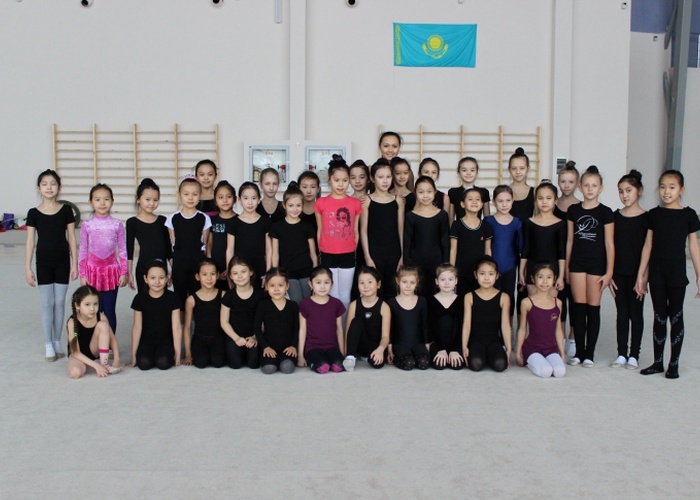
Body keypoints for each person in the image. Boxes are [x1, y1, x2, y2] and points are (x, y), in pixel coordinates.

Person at [636, 170, 700, 379]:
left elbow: (694, 247)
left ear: (681, 190)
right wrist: (641, 275)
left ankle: (674, 364)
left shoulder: (688, 215)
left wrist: (699, 275)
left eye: (672, 187)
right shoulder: (654, 215)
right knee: (659, 316)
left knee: (676, 316)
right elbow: (648, 245)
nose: (666, 191)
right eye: (662, 187)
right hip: (657, 273)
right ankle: (657, 362)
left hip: (677, 274)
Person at [25, 169, 78, 361]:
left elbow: (71, 238)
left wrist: (75, 264)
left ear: (59, 187)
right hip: (44, 262)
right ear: (38, 188)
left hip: (62, 261)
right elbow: (30, 241)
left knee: (59, 302)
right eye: (45, 184)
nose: (49, 187)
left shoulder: (66, 211)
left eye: (53, 184)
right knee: (47, 303)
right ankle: (48, 343)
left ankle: (57, 340)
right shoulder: (33, 213)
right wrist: (27, 267)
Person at [566, 165, 614, 367]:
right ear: (580, 187)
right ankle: (579, 352)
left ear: (601, 188)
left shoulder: (606, 212)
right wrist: (567, 268)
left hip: (597, 265)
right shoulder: (573, 210)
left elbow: (609, 244)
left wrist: (609, 272)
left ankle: (589, 354)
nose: (590, 189)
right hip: (577, 264)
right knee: (578, 309)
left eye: (594, 185)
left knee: (592, 309)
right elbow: (570, 240)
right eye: (586, 185)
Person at [609, 170, 648, 369]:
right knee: (622, 314)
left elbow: (649, 249)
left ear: (639, 191)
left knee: (636, 314)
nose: (624, 195)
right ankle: (622, 353)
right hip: (618, 274)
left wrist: (643, 277)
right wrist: (610, 274)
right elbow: (610, 247)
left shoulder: (647, 218)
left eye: (629, 190)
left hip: (637, 275)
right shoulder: (615, 217)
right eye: (621, 191)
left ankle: (634, 354)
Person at [78, 183, 128, 334]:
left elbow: (123, 250)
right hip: (92, 273)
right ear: (91, 202)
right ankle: (96, 341)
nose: (102, 203)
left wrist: (124, 272)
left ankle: (110, 341)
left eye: (106, 199)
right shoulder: (87, 225)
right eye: (97, 199)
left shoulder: (117, 224)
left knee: (109, 310)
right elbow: (83, 250)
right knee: (94, 310)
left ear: (112, 201)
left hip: (111, 272)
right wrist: (83, 275)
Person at [314, 154, 362, 310]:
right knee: (332, 295)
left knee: (345, 296)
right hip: (327, 253)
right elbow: (320, 230)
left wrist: (352, 248)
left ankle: (345, 324)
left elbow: (355, 231)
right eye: (336, 180)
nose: (341, 184)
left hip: (348, 254)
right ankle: (333, 326)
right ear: (329, 180)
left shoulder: (355, 203)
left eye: (345, 180)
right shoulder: (321, 203)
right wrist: (321, 250)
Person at [165, 177, 212, 310]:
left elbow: (205, 243)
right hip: (179, 264)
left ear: (200, 196)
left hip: (197, 263)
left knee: (196, 297)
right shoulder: (172, 218)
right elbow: (172, 244)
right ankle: (181, 323)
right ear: (179, 195)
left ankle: (194, 323)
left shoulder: (204, 218)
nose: (190, 198)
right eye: (186, 194)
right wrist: (172, 266)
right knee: (179, 298)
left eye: (195, 194)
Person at [361, 159, 405, 299]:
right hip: (374, 252)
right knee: (374, 291)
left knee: (392, 291)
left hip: (394, 252)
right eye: (380, 177)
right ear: (373, 179)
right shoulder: (367, 201)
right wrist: (367, 257)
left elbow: (401, 230)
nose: (385, 181)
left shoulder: (398, 200)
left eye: (388, 176)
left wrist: (402, 255)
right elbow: (363, 231)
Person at [129, 260, 183, 370]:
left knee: (163, 363)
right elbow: (137, 327)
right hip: (146, 340)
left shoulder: (173, 298)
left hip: (165, 341)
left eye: (161, 278)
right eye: (152, 278)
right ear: (145, 279)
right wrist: (133, 355)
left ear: (167, 278)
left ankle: (161, 354)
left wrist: (178, 353)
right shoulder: (139, 299)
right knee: (143, 363)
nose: (157, 282)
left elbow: (176, 327)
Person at [516, 262, 566, 378]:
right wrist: (518, 352)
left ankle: (545, 360)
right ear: (533, 279)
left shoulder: (557, 303)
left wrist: (562, 352)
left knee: (560, 372)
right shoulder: (527, 302)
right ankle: (530, 361)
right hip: (533, 348)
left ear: (554, 279)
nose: (544, 281)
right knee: (546, 372)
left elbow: (558, 330)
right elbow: (522, 329)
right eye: (540, 277)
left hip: (551, 348)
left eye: (549, 277)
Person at [270, 184, 318, 303]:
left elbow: (313, 253)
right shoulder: (277, 227)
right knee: (297, 301)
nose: (294, 209)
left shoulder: (307, 226)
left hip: (306, 270)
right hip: (288, 271)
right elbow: (275, 254)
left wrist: (315, 272)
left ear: (302, 205)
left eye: (298, 205)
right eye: (291, 205)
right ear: (284, 205)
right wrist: (276, 274)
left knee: (308, 301)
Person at [462, 257, 511, 372]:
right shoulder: (469, 296)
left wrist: (508, 348)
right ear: (476, 275)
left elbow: (505, 325)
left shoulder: (504, 297)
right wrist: (464, 346)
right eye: (482, 273)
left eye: (491, 274)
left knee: (500, 364)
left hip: (494, 340)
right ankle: (484, 356)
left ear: (497, 275)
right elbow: (467, 324)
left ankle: (490, 355)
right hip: (476, 341)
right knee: (476, 364)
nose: (486, 278)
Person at [403, 176, 450, 296]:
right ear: (415, 193)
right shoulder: (411, 216)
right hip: (416, 264)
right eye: (421, 192)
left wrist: (445, 264)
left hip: (437, 263)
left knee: (436, 295)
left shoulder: (442, 215)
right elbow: (407, 242)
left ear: (435, 192)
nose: (425, 196)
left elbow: (445, 242)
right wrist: (408, 265)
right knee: (417, 296)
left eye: (429, 191)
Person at [519, 181, 567, 298]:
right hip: (532, 268)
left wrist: (561, 276)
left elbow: (561, 253)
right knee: (534, 304)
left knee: (550, 304)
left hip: (553, 269)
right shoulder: (529, 222)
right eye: (540, 198)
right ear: (535, 200)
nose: (544, 202)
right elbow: (526, 249)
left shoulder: (561, 224)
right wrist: (521, 272)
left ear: (555, 200)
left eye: (548, 198)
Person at [554, 160, 581, 357]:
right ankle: (560, 335)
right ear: (558, 182)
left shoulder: (581, 206)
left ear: (577, 184)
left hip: (576, 258)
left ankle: (573, 336)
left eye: (571, 182)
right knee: (558, 299)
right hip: (555, 257)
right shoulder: (552, 204)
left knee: (575, 299)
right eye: (563, 181)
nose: (566, 185)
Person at [126, 178, 172, 294]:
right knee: (144, 300)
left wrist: (173, 270)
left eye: (155, 200)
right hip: (143, 268)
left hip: (161, 270)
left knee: (161, 300)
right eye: (147, 199)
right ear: (138, 199)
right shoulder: (132, 222)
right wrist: (129, 272)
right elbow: (129, 249)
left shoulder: (162, 221)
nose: (151, 203)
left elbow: (168, 248)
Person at [66, 285, 122, 378]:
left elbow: (112, 339)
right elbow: (75, 352)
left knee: (103, 325)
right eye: (87, 304)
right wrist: (96, 366)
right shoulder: (72, 322)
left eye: (95, 304)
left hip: (93, 350)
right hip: (78, 354)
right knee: (75, 373)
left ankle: (104, 363)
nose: (92, 309)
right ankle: (91, 364)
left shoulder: (100, 317)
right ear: (77, 305)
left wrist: (116, 360)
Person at [298, 266, 346, 373]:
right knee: (323, 367)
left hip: (331, 346)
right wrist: (300, 356)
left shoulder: (336, 303)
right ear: (311, 284)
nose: (323, 286)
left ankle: (330, 359)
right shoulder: (305, 304)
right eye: (318, 282)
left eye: (326, 282)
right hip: (313, 347)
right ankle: (313, 361)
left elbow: (339, 330)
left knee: (339, 366)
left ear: (332, 284)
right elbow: (302, 330)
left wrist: (342, 353)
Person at [485, 185, 523, 320]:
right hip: (492, 267)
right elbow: (486, 247)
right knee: (491, 296)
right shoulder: (488, 221)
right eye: (500, 201)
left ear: (513, 201)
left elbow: (520, 249)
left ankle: (508, 325)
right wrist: (489, 267)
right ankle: (493, 326)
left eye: (508, 200)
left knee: (509, 296)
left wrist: (521, 272)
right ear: (493, 202)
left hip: (510, 267)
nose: (504, 204)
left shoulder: (517, 223)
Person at [344, 266, 391, 370]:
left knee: (377, 364)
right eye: (362, 283)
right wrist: (346, 352)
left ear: (378, 284)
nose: (366, 286)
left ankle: (368, 357)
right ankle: (351, 357)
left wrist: (380, 349)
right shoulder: (354, 305)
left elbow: (385, 336)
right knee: (357, 321)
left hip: (375, 345)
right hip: (360, 345)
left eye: (370, 282)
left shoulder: (384, 307)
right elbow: (348, 331)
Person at [220, 256, 263, 369]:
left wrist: (255, 337)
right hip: (234, 336)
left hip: (254, 336)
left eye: (243, 272)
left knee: (253, 364)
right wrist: (236, 338)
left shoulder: (260, 295)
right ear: (230, 276)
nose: (239, 276)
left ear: (251, 272)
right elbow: (224, 322)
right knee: (235, 364)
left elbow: (264, 320)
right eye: (235, 273)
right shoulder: (228, 296)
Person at [182, 259, 226, 368]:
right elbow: (187, 328)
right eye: (204, 274)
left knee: (218, 362)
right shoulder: (191, 300)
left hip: (218, 338)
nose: (209, 278)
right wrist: (188, 354)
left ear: (218, 275)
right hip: (200, 339)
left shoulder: (223, 295)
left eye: (212, 274)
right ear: (198, 277)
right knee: (200, 362)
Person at [226, 181, 271, 286]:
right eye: (246, 198)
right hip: (239, 269)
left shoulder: (265, 222)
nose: (250, 202)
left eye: (254, 198)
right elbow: (230, 250)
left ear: (259, 200)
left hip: (260, 266)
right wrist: (229, 273)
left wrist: (268, 272)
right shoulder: (233, 223)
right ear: (239, 200)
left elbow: (269, 249)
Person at [449, 187, 493, 295]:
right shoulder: (457, 225)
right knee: (462, 300)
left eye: (478, 199)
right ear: (462, 204)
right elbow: (453, 250)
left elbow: (488, 251)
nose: (474, 202)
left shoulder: (486, 226)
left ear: (482, 204)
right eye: (470, 199)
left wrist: (488, 271)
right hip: (461, 272)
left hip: (479, 273)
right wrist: (451, 271)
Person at [255, 268, 299, 374]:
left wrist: (293, 346)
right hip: (269, 347)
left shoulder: (293, 306)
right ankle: (272, 360)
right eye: (272, 285)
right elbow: (257, 328)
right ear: (266, 287)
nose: (276, 289)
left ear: (287, 286)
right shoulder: (263, 305)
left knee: (287, 368)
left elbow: (296, 328)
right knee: (269, 369)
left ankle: (283, 360)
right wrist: (265, 347)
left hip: (287, 348)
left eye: (280, 285)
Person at [387, 266, 430, 371]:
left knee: (424, 363)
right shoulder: (391, 302)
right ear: (397, 281)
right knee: (409, 363)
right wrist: (390, 349)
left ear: (417, 282)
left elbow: (425, 325)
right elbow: (390, 328)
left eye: (412, 282)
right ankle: (401, 358)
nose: (408, 286)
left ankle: (414, 356)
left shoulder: (422, 301)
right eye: (404, 282)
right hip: (400, 344)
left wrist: (427, 345)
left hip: (417, 343)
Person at [428, 264, 464, 370]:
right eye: (443, 279)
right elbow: (431, 327)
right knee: (439, 365)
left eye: (450, 279)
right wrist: (441, 349)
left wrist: (454, 349)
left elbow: (460, 326)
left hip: (455, 342)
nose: (447, 283)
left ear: (456, 281)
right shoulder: (430, 301)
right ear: (436, 281)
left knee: (457, 365)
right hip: (437, 342)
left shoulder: (461, 300)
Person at [206, 180, 237, 290]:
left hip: (235, 270)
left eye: (229, 197)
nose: (225, 200)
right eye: (220, 197)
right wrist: (212, 269)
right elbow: (209, 245)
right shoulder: (212, 221)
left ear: (235, 199)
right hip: (215, 271)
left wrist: (231, 270)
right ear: (215, 201)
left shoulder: (239, 220)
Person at [349, 160, 371, 301]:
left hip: (371, 246)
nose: (357, 181)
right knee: (353, 284)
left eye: (362, 177)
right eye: (353, 177)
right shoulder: (346, 201)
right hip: (351, 248)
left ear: (368, 179)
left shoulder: (373, 200)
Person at [447, 156, 490, 222]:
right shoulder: (453, 192)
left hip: (478, 228)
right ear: (458, 173)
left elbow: (487, 218)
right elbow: (450, 219)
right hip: (458, 228)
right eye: (464, 170)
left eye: (472, 170)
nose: (468, 173)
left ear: (477, 173)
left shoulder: (484, 192)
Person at [508, 148, 534, 223]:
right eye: (514, 168)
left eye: (522, 168)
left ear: (528, 169)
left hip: (528, 230)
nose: (518, 172)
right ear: (509, 169)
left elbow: (538, 217)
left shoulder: (534, 192)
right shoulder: (504, 191)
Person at [298, 170, 321, 241]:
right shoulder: (293, 211)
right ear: (298, 189)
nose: (308, 191)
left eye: (313, 187)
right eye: (304, 187)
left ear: (318, 189)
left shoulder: (323, 212)